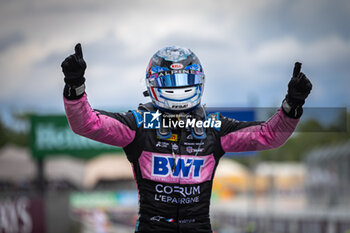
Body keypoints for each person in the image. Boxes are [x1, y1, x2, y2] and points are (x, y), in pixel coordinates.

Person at [61, 44, 312, 233]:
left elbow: (268, 136)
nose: (178, 87)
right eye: (171, 82)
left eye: (185, 81)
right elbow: (87, 124)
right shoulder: (138, 125)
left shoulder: (214, 128)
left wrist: (292, 106)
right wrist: (75, 87)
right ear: (153, 85)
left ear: (198, 82)